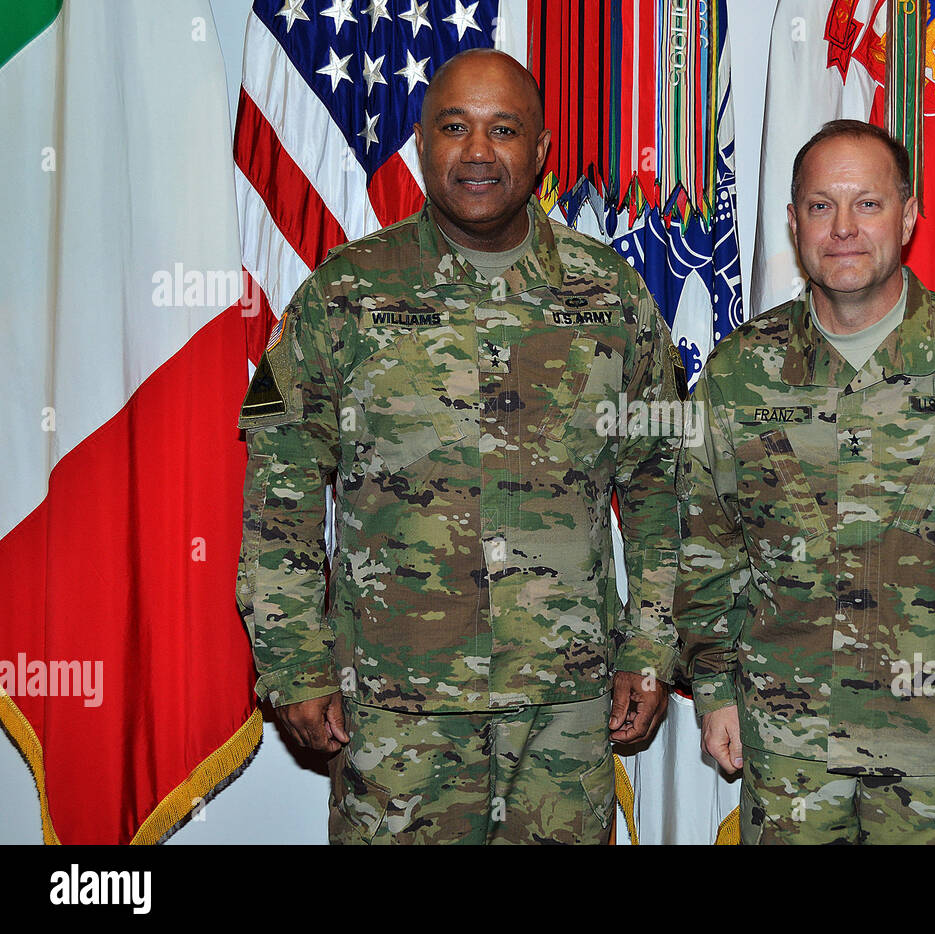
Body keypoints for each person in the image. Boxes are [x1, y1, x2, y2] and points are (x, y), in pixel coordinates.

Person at [236, 48, 685, 844]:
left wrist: (649, 646)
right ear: (420, 145)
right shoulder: (344, 295)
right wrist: (295, 661)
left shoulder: (610, 294)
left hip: (565, 713)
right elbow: (282, 494)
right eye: (455, 128)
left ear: (540, 151)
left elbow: (662, 490)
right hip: (395, 711)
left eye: (503, 129)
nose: (478, 153)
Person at [674, 120, 935, 844]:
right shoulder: (738, 373)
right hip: (789, 747)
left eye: (867, 204)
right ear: (793, 221)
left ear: (907, 216)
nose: (843, 228)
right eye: (820, 206)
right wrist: (714, 687)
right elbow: (703, 549)